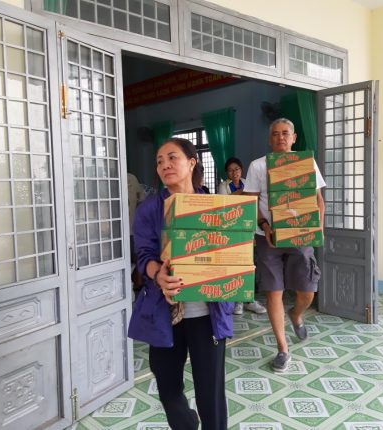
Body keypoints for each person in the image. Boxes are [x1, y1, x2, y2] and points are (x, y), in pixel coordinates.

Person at [128, 137, 232, 430]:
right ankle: (187, 422)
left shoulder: (215, 206)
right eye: (159, 161)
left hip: (207, 314)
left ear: (191, 163)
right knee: (168, 386)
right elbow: (144, 254)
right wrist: (157, 274)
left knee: (210, 392)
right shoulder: (150, 209)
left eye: (172, 157)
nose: (165, 165)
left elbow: (231, 251)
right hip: (165, 313)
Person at [244, 118, 325, 372]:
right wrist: (264, 225)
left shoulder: (306, 163)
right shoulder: (258, 166)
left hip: (300, 234)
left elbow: (318, 200)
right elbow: (251, 201)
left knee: (308, 290)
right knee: (273, 291)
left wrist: (316, 228)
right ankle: (282, 348)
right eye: (276, 134)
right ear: (270, 139)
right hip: (267, 236)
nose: (281, 137)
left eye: (285, 133)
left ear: (294, 137)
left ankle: (296, 314)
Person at [218, 156, 267, 316]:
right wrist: (243, 193)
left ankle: (249, 300)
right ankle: (237, 301)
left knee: (250, 265)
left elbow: (255, 200)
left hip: (249, 229)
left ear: (242, 170)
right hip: (231, 231)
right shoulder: (223, 186)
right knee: (235, 265)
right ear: (227, 173)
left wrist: (244, 193)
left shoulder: (248, 182)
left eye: (237, 169)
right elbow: (225, 202)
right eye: (230, 170)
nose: (234, 173)